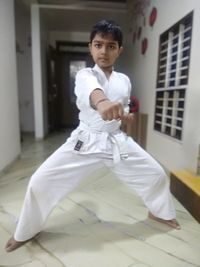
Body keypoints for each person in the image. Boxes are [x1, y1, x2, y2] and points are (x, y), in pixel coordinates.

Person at [5, 20, 180, 253]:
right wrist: (102, 102)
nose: (103, 51)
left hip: (115, 141)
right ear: (90, 47)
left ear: (119, 50)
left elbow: (121, 106)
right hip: (85, 142)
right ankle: (26, 230)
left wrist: (124, 116)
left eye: (110, 46)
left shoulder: (124, 80)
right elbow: (94, 93)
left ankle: (159, 212)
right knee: (40, 181)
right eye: (98, 45)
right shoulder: (85, 75)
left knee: (156, 173)